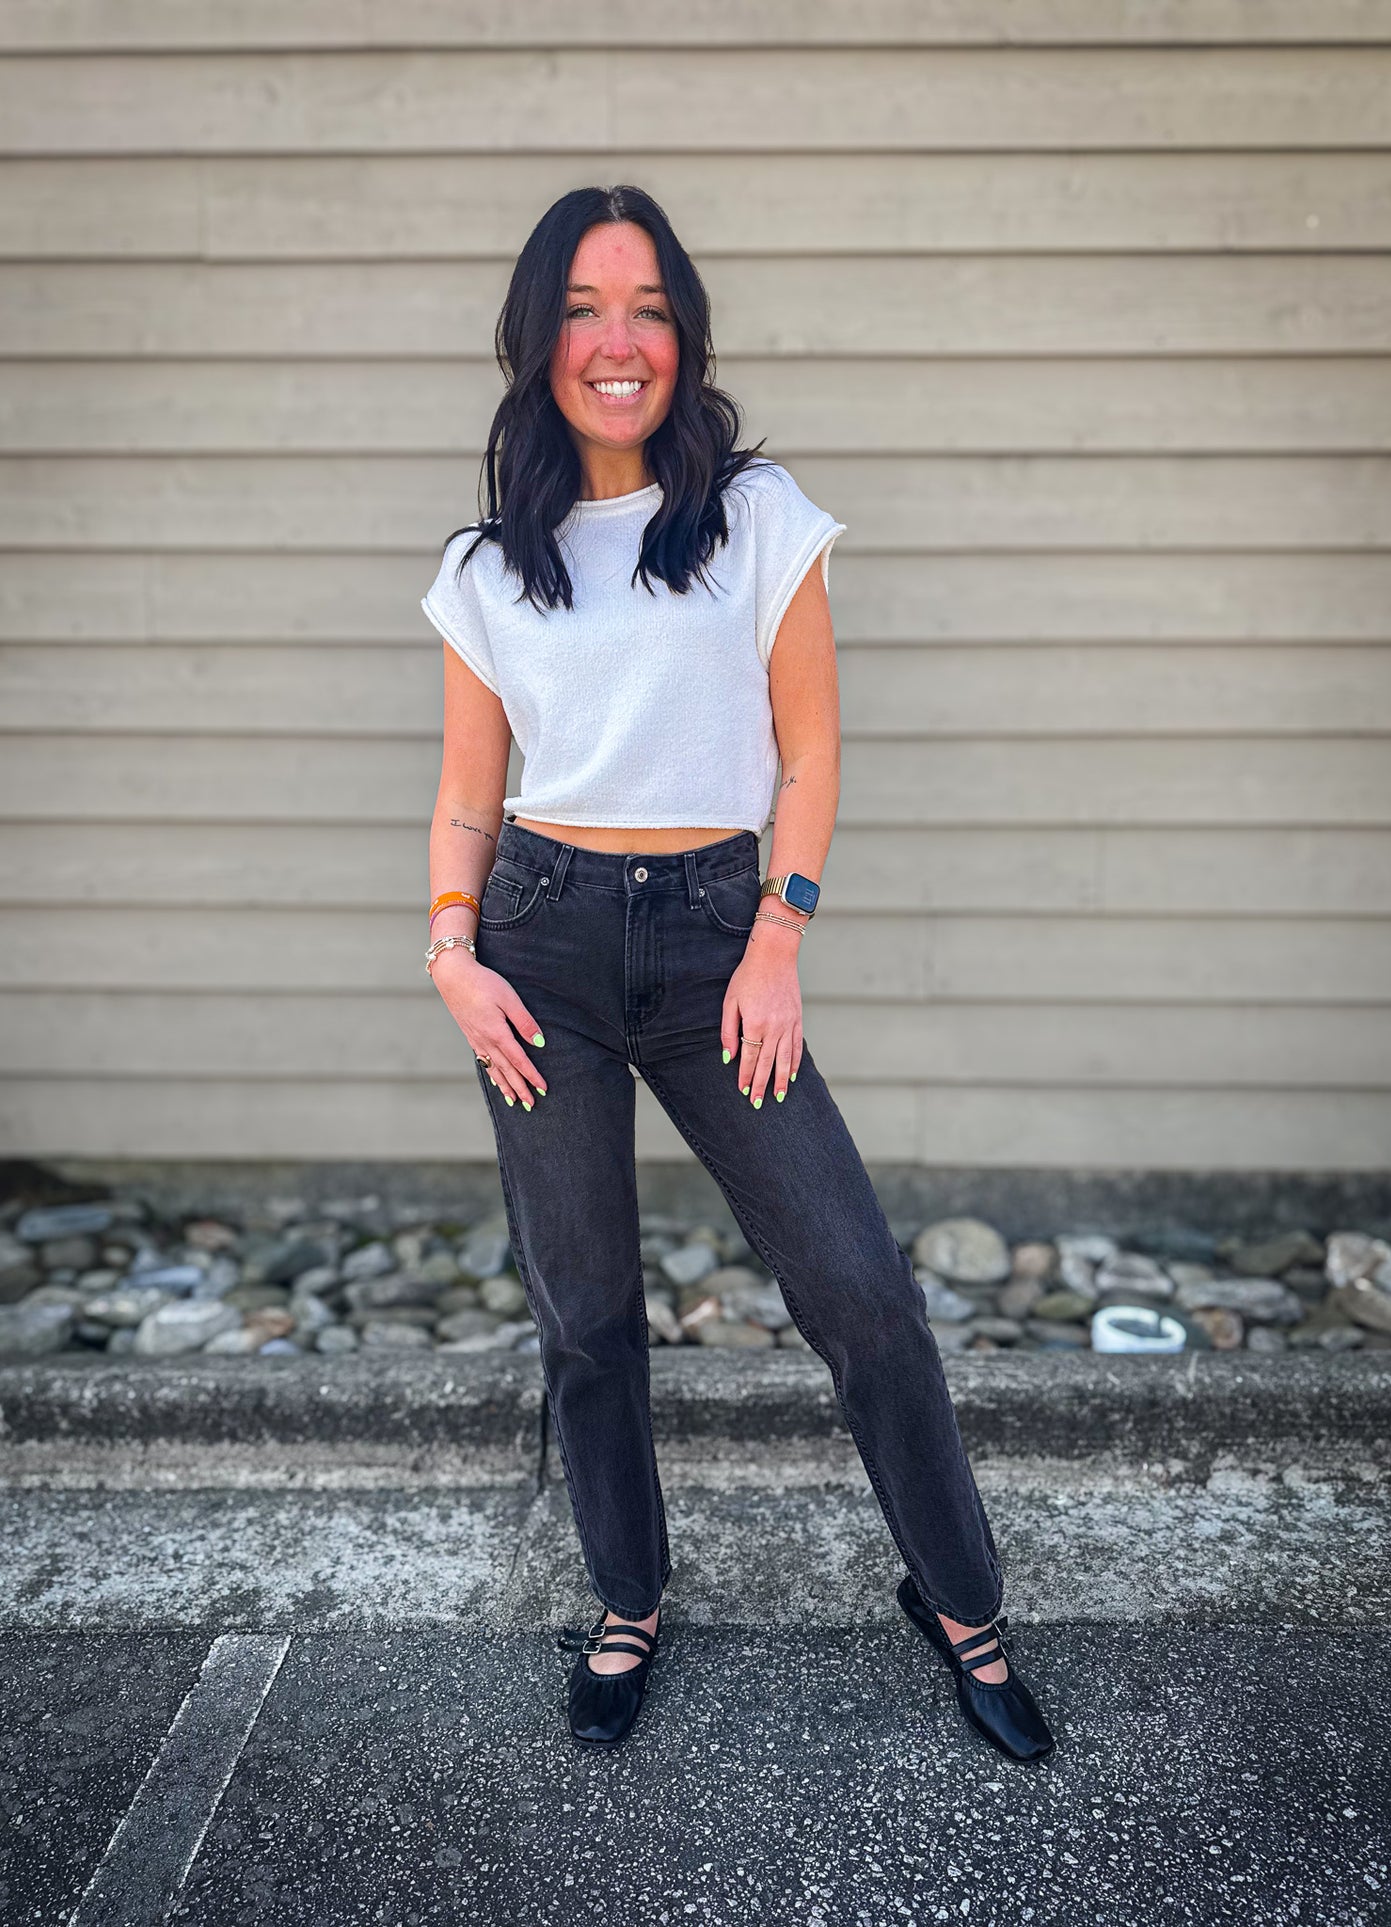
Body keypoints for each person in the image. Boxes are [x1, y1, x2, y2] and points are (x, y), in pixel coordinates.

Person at [419, 184, 1054, 1764]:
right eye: (579, 307)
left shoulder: (758, 516)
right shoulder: (487, 568)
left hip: (718, 936)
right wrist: (448, 949)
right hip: (540, 945)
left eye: (643, 306)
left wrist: (779, 934)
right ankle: (627, 1596)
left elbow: (813, 749)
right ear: (534, 339)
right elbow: (462, 796)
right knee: (584, 1313)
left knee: (858, 1289)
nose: (613, 340)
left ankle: (960, 1604)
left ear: (684, 335)